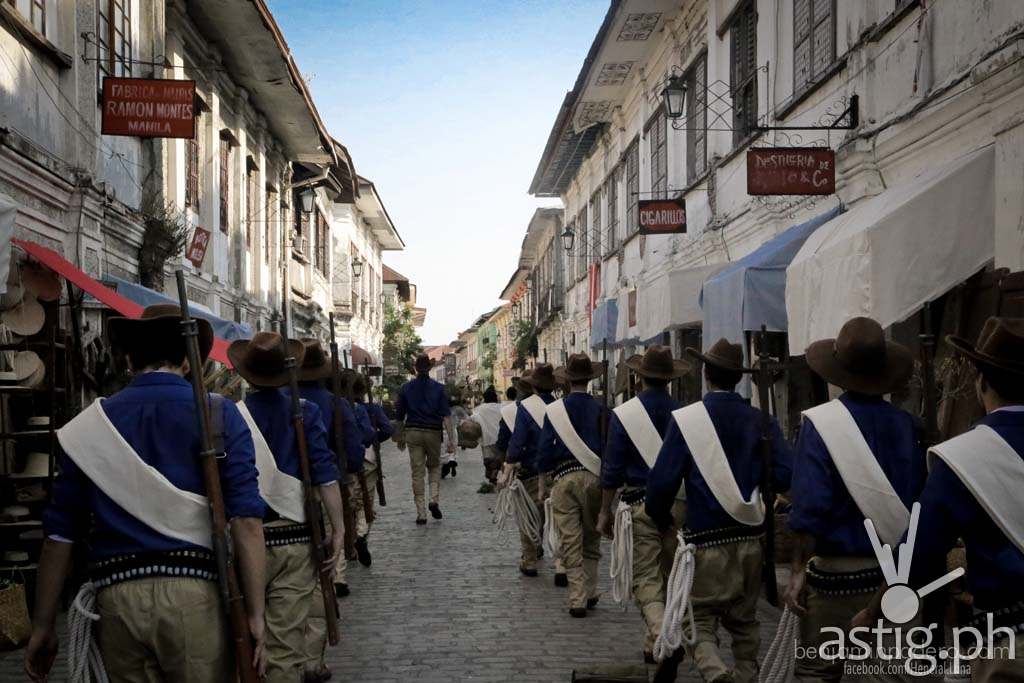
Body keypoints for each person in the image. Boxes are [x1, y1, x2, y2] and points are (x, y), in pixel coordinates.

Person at [25, 305, 268, 682]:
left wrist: (42, 624)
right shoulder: (218, 415)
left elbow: (59, 536)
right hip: (196, 596)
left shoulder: (90, 428)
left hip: (116, 599)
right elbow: (247, 522)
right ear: (189, 364)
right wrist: (256, 613)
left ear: (128, 359)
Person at [865, 317, 1024, 680]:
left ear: (981, 382)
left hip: (1009, 644)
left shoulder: (963, 458)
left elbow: (917, 555)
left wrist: (873, 613)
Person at [784, 317, 925, 682]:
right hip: (894, 576)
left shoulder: (817, 425)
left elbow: (810, 505)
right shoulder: (909, 427)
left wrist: (798, 571)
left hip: (834, 578)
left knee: (819, 673)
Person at [646, 338, 793, 683]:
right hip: (750, 539)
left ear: (706, 374)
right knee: (745, 620)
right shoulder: (762, 422)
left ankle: (715, 673)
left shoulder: (687, 421)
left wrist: (662, 519)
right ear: (737, 378)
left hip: (705, 540)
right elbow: (785, 475)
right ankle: (744, 674)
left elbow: (662, 482)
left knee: (697, 618)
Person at [230, 332, 345, 683]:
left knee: (242, 640)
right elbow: (324, 475)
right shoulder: (304, 412)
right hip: (294, 539)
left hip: (243, 540)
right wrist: (338, 528)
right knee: (285, 648)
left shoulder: (230, 415)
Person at [598, 346, 686, 666]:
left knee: (646, 577)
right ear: (670, 380)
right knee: (669, 573)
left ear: (640, 378)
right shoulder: (683, 413)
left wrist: (604, 510)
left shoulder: (625, 414)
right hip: (679, 503)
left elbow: (613, 468)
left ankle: (662, 632)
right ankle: (653, 644)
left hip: (640, 504)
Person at [293, 340, 364, 683]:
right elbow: (352, 445)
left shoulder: (289, 404)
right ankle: (339, 576)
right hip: (329, 482)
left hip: (286, 497)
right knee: (330, 549)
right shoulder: (333, 404)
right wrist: (349, 470)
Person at [536, 354, 605, 617]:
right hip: (595, 478)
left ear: (566, 381)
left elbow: (544, 451)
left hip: (564, 478)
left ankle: (577, 597)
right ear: (589, 380)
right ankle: (590, 590)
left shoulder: (554, 411)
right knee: (592, 538)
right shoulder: (601, 409)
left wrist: (542, 484)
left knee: (570, 539)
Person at [506, 363, 559, 577]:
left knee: (528, 515)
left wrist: (509, 463)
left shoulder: (525, 408)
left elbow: (517, 441)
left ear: (533, 386)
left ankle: (529, 559)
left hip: (530, 469)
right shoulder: (560, 406)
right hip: (557, 471)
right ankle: (561, 562)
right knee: (556, 519)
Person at [396, 353, 456, 524]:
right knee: (435, 466)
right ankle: (433, 500)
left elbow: (399, 417)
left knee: (417, 472)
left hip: (413, 431)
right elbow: (446, 416)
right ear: (430, 368)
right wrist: (451, 440)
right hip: (433, 432)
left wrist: (400, 436)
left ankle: (421, 512)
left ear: (415, 368)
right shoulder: (438, 388)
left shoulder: (405, 388)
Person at [352, 372, 394, 564]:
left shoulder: (337, 406)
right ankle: (361, 534)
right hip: (368, 459)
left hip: (344, 460)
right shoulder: (371, 409)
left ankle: (352, 540)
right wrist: (374, 440)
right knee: (365, 502)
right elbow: (387, 429)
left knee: (351, 502)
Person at [468, 386, 505, 492]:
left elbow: (472, 418)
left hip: (487, 438)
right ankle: (496, 473)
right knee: (500, 458)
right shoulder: (501, 407)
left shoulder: (480, 409)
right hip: (501, 437)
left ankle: (491, 475)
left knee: (488, 460)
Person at [443, 398, 470, 478]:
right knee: (454, 448)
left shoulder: (442, 408)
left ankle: (446, 463)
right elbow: (467, 418)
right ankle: (453, 460)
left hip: (443, 431)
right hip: (454, 430)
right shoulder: (458, 409)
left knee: (445, 450)